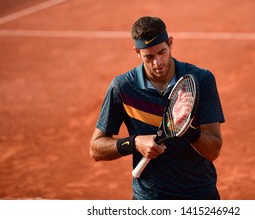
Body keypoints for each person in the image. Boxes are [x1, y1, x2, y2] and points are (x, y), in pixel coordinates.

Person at [90, 16, 225, 200]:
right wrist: (135, 142)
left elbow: (213, 151)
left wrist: (184, 128)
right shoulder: (123, 87)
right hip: (149, 199)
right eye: (149, 57)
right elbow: (96, 149)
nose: (158, 63)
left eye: (162, 52)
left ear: (170, 43)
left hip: (199, 195)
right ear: (137, 52)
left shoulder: (201, 80)